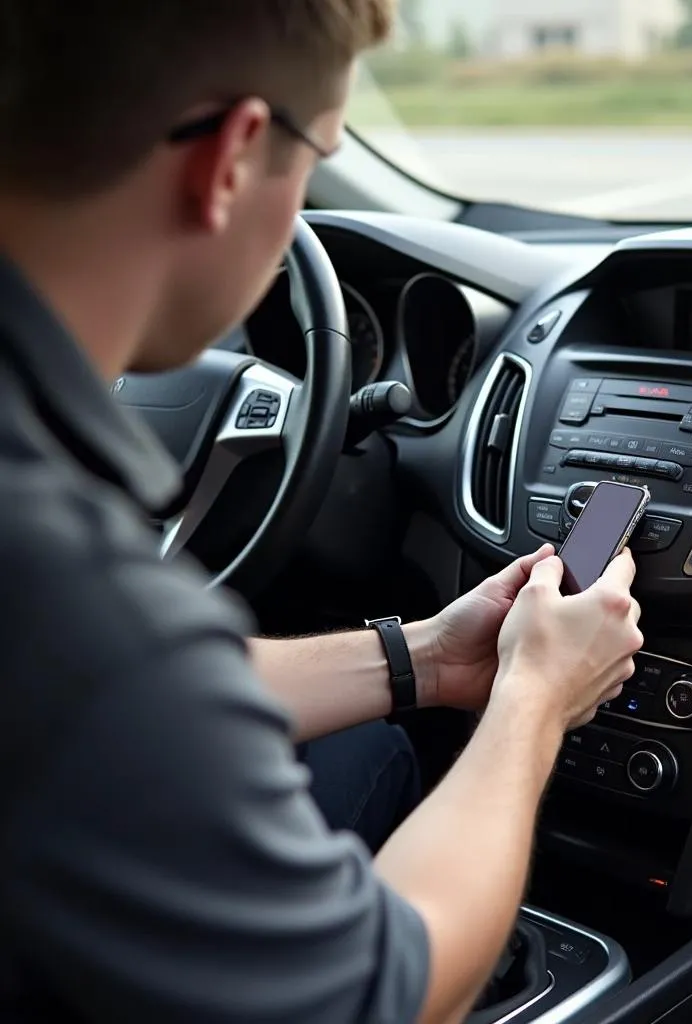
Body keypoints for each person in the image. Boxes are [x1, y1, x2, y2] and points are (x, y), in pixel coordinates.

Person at [0, 3, 644, 1022]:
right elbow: (384, 992)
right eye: (317, 158)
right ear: (231, 155)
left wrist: (426, 657)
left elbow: (99, 689)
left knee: (361, 743)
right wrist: (534, 701)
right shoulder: (70, 583)